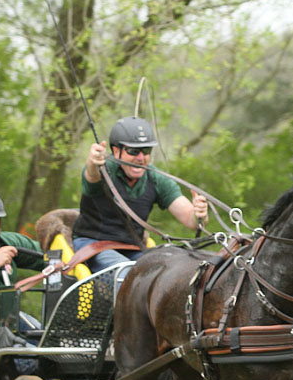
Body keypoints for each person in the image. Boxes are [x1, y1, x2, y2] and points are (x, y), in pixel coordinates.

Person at [72, 116, 208, 271]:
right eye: (133, 151)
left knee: (167, 271)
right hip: (93, 246)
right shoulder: (102, 169)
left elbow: (191, 221)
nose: (141, 158)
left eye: (146, 151)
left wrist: (199, 214)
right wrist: (92, 162)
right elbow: (92, 174)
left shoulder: (156, 179)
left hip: (134, 249)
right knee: (127, 273)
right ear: (116, 151)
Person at [0, 189, 45, 372]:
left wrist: (66, 256)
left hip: (7, 322)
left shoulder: (5, 242)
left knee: (53, 346)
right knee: (31, 359)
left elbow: (45, 253)